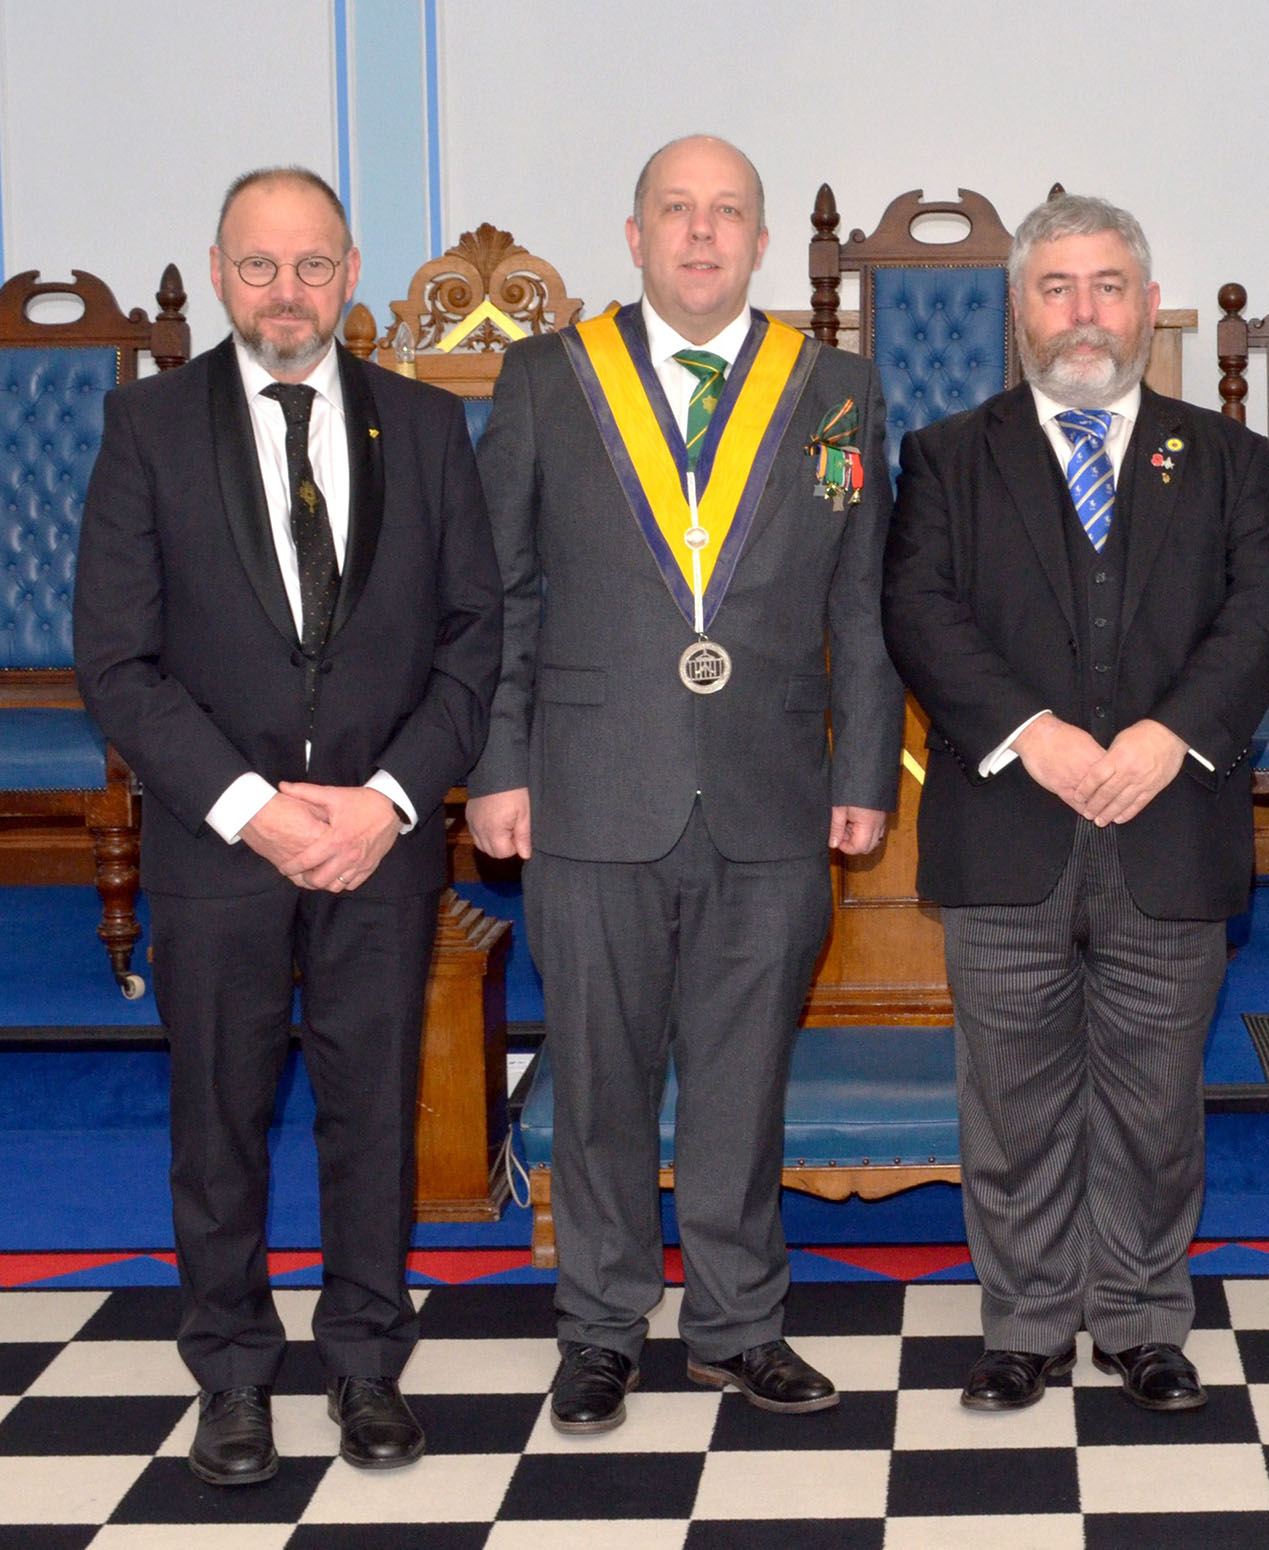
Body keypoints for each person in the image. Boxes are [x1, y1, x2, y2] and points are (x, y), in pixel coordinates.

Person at [466, 134, 902, 1432]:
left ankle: (737, 1322)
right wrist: (493, 766)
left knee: (743, 1072)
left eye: (728, 214)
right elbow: (500, 595)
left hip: (774, 788)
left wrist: (866, 766)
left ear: (763, 243)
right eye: (677, 211)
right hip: (588, 783)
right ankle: (600, 1328)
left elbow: (862, 599)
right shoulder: (549, 379)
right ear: (635, 233)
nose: (702, 235)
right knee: (598, 1075)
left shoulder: (833, 385)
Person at [74, 167, 501, 1483]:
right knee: (219, 1117)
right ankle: (236, 1375)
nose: (287, 292)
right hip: (220, 844)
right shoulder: (146, 424)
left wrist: (383, 802)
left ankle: (366, 1363)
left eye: (312, 265)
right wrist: (256, 810)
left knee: (375, 1111)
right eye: (260, 267)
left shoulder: (424, 428)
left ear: (352, 268)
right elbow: (117, 660)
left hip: (380, 841)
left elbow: (475, 636)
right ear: (217, 271)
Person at [883, 194, 1269, 1412]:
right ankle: (1021, 1324)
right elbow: (919, 613)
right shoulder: (949, 455)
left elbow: (1262, 610)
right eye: (1056, 288)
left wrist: (1171, 734)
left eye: (1107, 286)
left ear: (1149, 308)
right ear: (1018, 312)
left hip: (1171, 825)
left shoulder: (1226, 457)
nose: (1083, 312)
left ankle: (1141, 1318)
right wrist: (1035, 735)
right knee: (1010, 1102)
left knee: (1155, 1098)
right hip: (1009, 825)